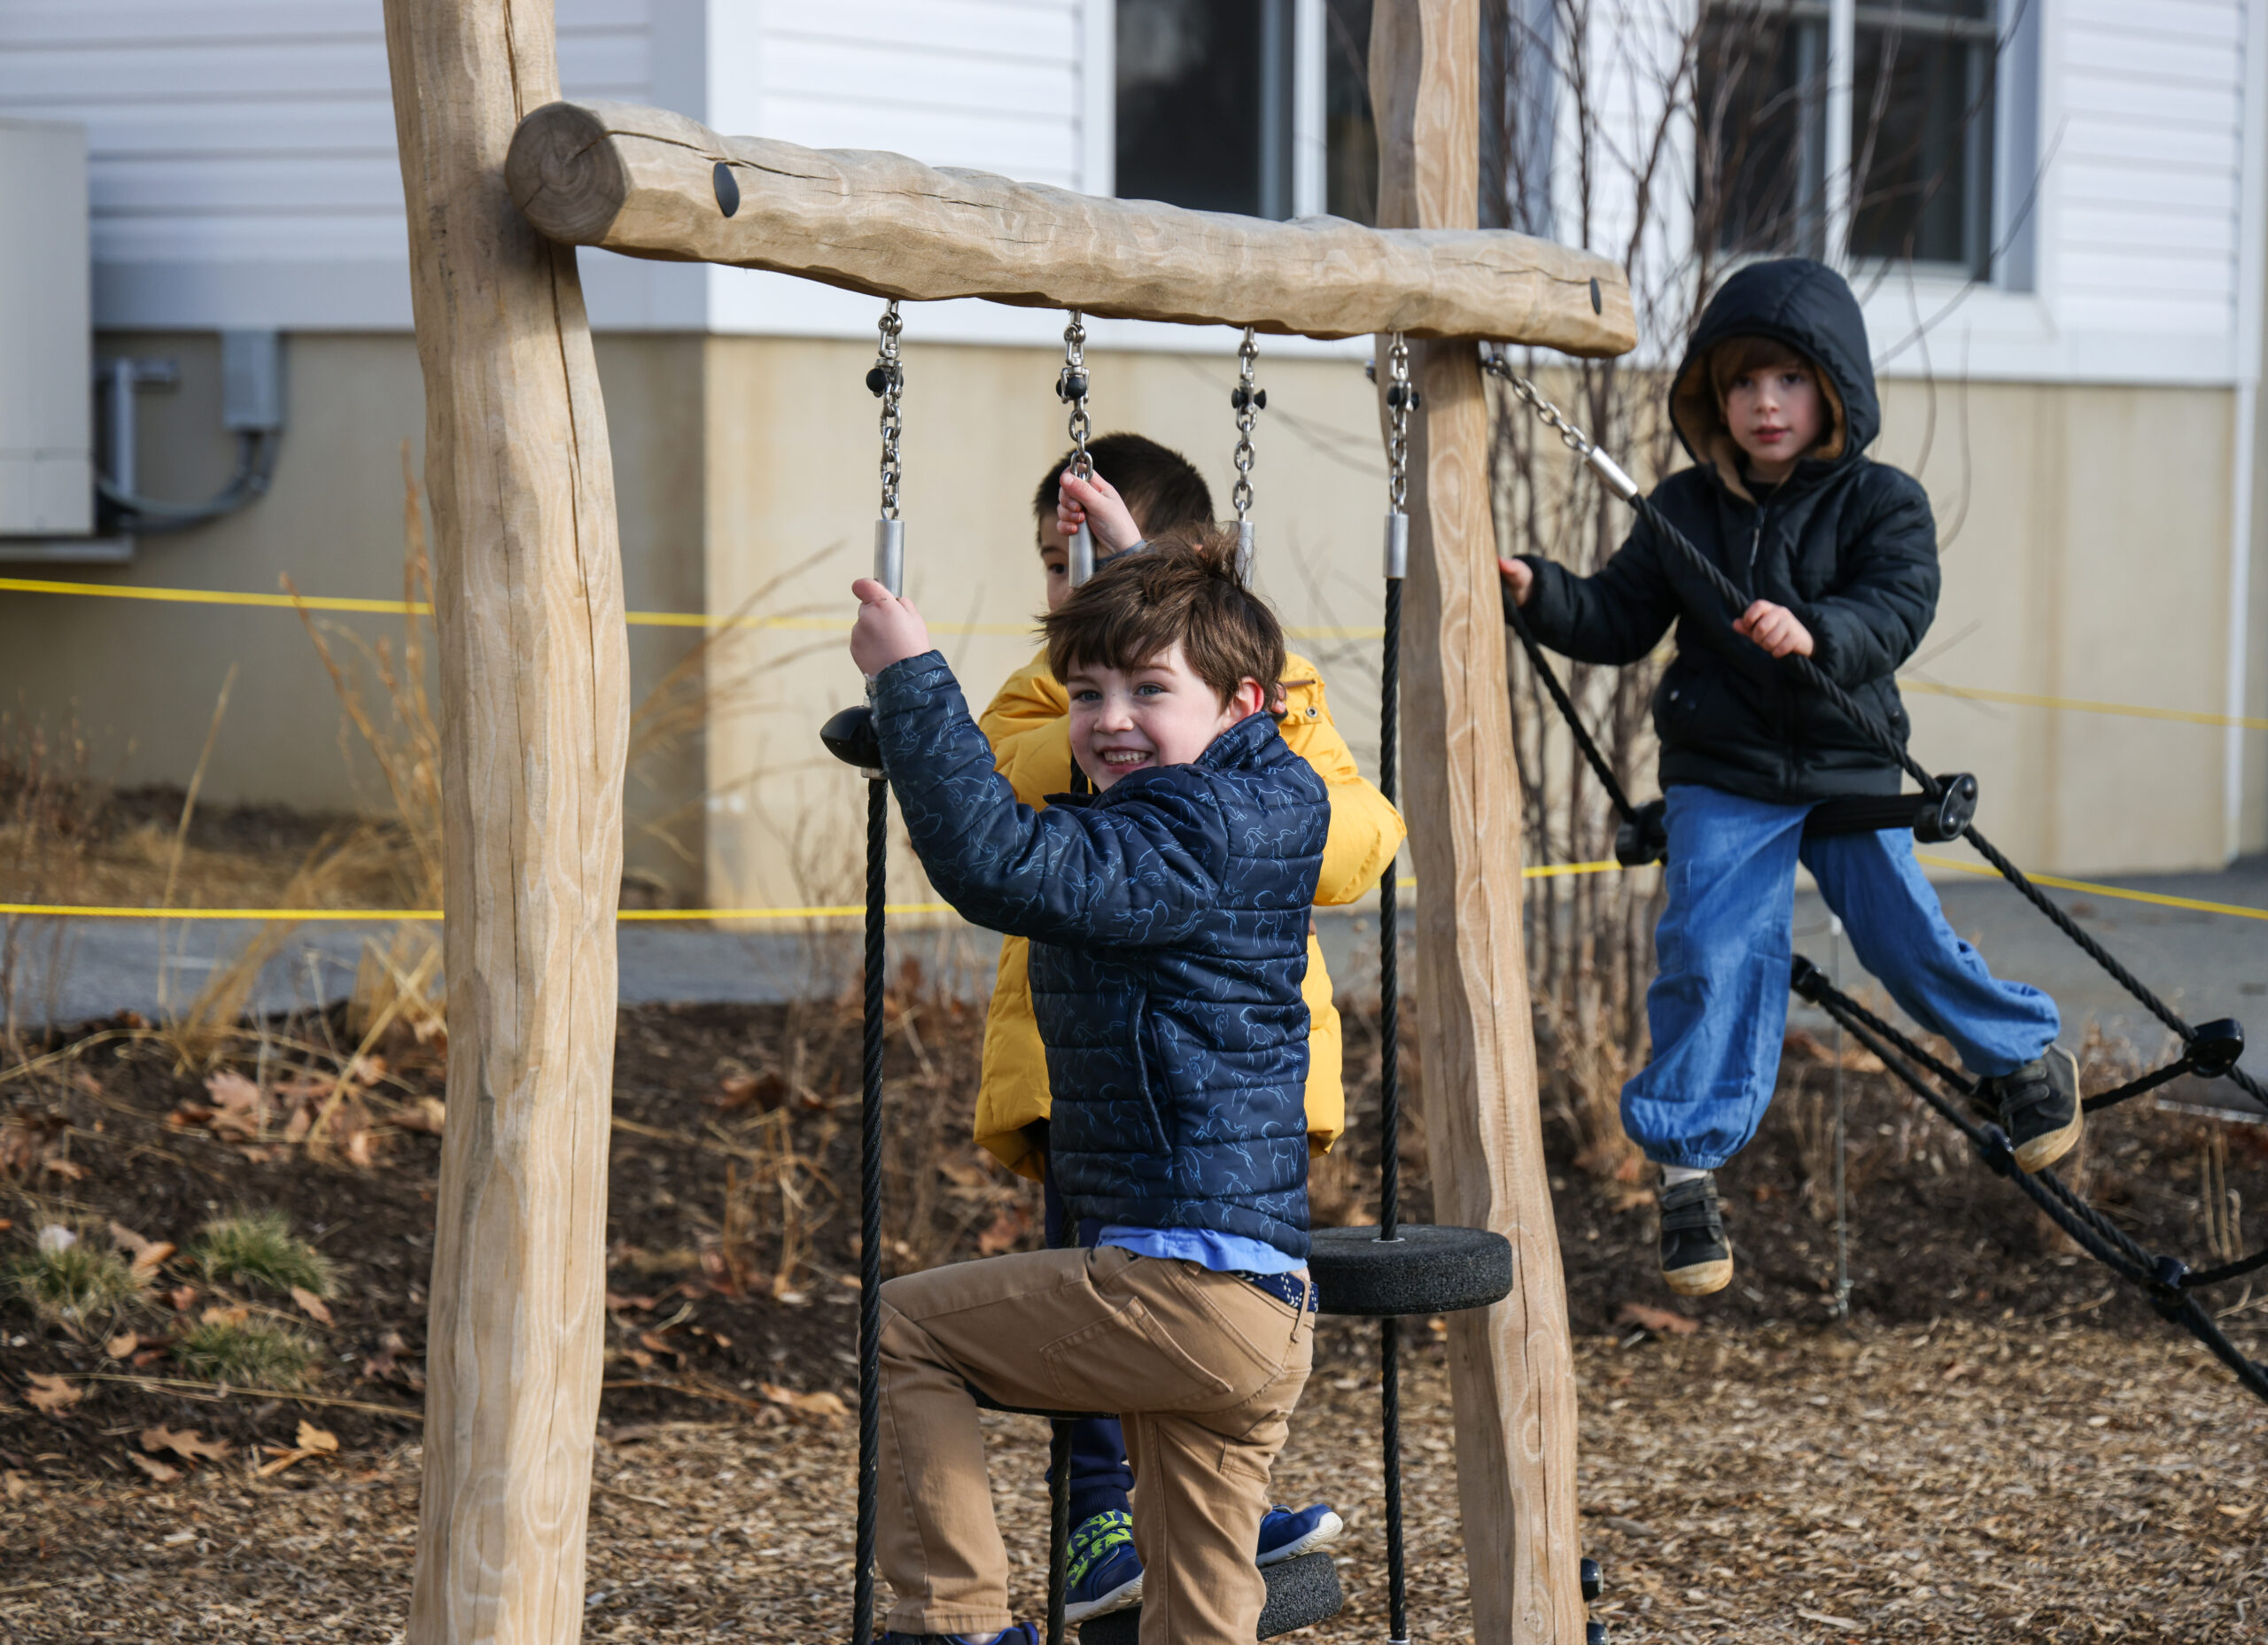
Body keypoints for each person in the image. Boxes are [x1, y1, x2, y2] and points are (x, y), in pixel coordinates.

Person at [1499, 257, 2078, 1299]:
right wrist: (1539, 592)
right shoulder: (1682, 507)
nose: (1765, 404)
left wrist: (1818, 629)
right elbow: (1619, 617)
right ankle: (1687, 1172)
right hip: (1726, 770)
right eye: (1742, 384)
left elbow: (1898, 604)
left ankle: (2022, 1058)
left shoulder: (1881, 500)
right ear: (1712, 400)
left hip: (1846, 757)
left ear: (1833, 390)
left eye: (1789, 380)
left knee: (1901, 934)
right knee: (1709, 950)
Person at [849, 532, 1331, 1645]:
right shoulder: (1267, 796)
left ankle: (954, 1624)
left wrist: (909, 680)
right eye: (1087, 693)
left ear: (1242, 702)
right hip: (1258, 1304)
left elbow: (998, 862)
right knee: (1198, 1619)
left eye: (1148, 691)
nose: (1111, 720)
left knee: (904, 1330)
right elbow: (1189, 704)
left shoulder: (1188, 830)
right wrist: (1136, 566)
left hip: (1181, 1291)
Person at [975, 434, 1400, 1620]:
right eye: (1057, 563)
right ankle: (1100, 1519)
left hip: (1242, 1068)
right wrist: (1117, 709)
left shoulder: (1277, 693)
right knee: (1102, 1288)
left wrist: (1216, 761)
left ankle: (1198, 1505)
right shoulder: (1057, 692)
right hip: (1086, 1066)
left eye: (1106, 559)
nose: (1073, 587)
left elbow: (1360, 838)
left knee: (1226, 1292)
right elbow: (996, 778)